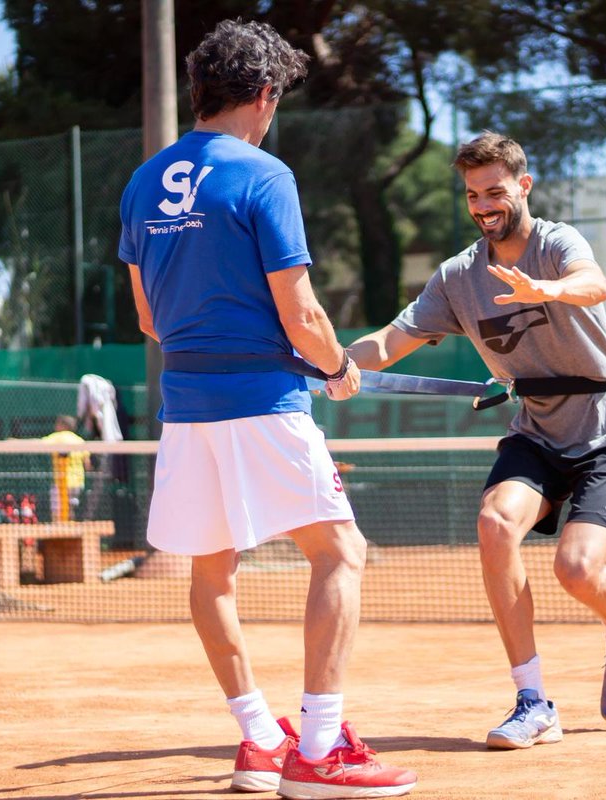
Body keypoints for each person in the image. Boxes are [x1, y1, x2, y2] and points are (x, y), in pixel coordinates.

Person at [118, 19, 415, 799]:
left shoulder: (143, 181)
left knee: (212, 570)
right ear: (264, 94)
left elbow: (147, 319)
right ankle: (318, 750)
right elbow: (303, 312)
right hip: (262, 401)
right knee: (339, 554)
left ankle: (256, 740)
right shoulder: (264, 175)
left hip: (185, 407)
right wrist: (337, 366)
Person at [346, 131, 606, 750]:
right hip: (536, 430)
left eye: (495, 191)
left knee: (576, 568)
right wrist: (336, 365)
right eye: (472, 194)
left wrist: (550, 291)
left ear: (523, 186)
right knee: (493, 524)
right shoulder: (458, 277)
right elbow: (389, 343)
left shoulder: (556, 243)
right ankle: (533, 700)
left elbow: (594, 281)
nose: (484, 204)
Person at [42, 415, 91, 523]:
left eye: (58, 424)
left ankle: (58, 533)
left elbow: (38, 444)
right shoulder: (80, 441)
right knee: (70, 509)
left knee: (57, 511)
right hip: (78, 483)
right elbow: (87, 464)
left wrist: (15, 442)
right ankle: (70, 532)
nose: (55, 426)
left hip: (62, 482)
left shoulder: (58, 437)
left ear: (63, 426)